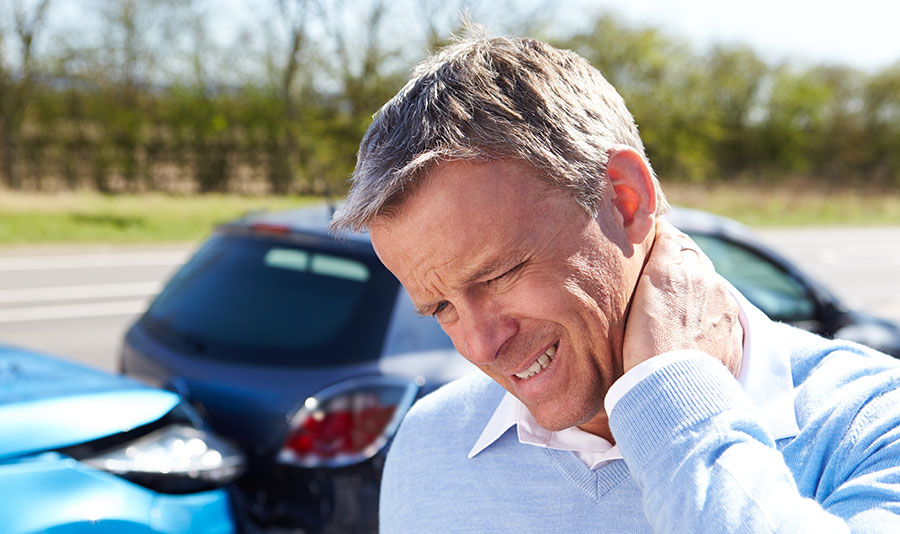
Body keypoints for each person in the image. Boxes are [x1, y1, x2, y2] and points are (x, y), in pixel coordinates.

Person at [330, 34, 900, 533]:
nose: (480, 347)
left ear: (625, 199)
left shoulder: (874, 426)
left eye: (498, 274)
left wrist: (676, 400)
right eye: (441, 309)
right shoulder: (431, 443)